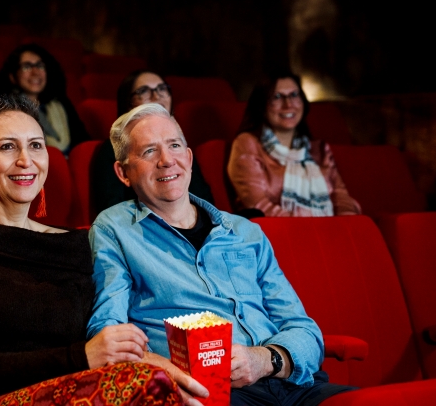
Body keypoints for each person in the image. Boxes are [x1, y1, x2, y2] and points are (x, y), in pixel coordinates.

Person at [0, 95, 205, 406]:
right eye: (7, 147)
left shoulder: (71, 244)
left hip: (79, 391)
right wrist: (81, 356)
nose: (25, 160)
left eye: (36, 145)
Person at [87, 103, 356, 406]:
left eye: (174, 146)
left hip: (293, 384)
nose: (166, 160)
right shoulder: (114, 229)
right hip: (210, 393)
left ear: (188, 159)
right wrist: (167, 373)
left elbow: (304, 329)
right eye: (149, 151)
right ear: (123, 173)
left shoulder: (245, 232)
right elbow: (109, 334)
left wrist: (266, 360)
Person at [227, 73, 360, 217]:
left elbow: (341, 197)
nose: (288, 104)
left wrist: (347, 225)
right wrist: (303, 229)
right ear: (262, 104)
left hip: (328, 231)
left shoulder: (318, 150)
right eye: (277, 97)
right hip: (277, 233)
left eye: (294, 95)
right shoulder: (247, 144)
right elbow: (258, 205)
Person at [92, 70, 214, 215]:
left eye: (162, 88)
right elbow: (112, 210)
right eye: (143, 91)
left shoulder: (181, 145)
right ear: (128, 103)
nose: (156, 96)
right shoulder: (110, 150)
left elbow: (206, 202)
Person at [0, 43, 89, 154]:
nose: (35, 72)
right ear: (13, 77)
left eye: (40, 66)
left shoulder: (60, 104)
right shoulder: (6, 109)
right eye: (27, 67)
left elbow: (83, 142)